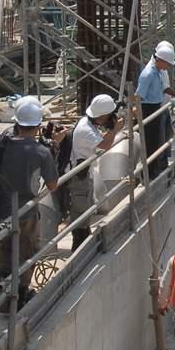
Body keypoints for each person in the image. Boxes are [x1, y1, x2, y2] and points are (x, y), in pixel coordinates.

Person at [0, 98, 59, 310]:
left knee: (5, 252)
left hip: (3, 210)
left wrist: (3, 172)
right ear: (38, 126)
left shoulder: (2, 146)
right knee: (26, 252)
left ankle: (4, 296)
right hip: (27, 212)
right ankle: (20, 296)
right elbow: (53, 185)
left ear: (17, 123)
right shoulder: (41, 152)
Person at [58, 94, 118, 251]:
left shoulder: (88, 123)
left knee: (85, 211)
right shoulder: (85, 129)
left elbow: (101, 140)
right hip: (78, 178)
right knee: (80, 216)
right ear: (103, 116)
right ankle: (79, 252)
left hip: (83, 173)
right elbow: (105, 145)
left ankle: (84, 247)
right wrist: (116, 129)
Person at [137, 41, 175, 179]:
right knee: (151, 143)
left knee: (158, 141)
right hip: (148, 110)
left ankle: (157, 169)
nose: (168, 66)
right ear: (160, 60)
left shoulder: (158, 71)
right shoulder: (147, 74)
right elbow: (137, 97)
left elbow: (164, 88)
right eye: (167, 63)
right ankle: (149, 175)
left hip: (157, 107)